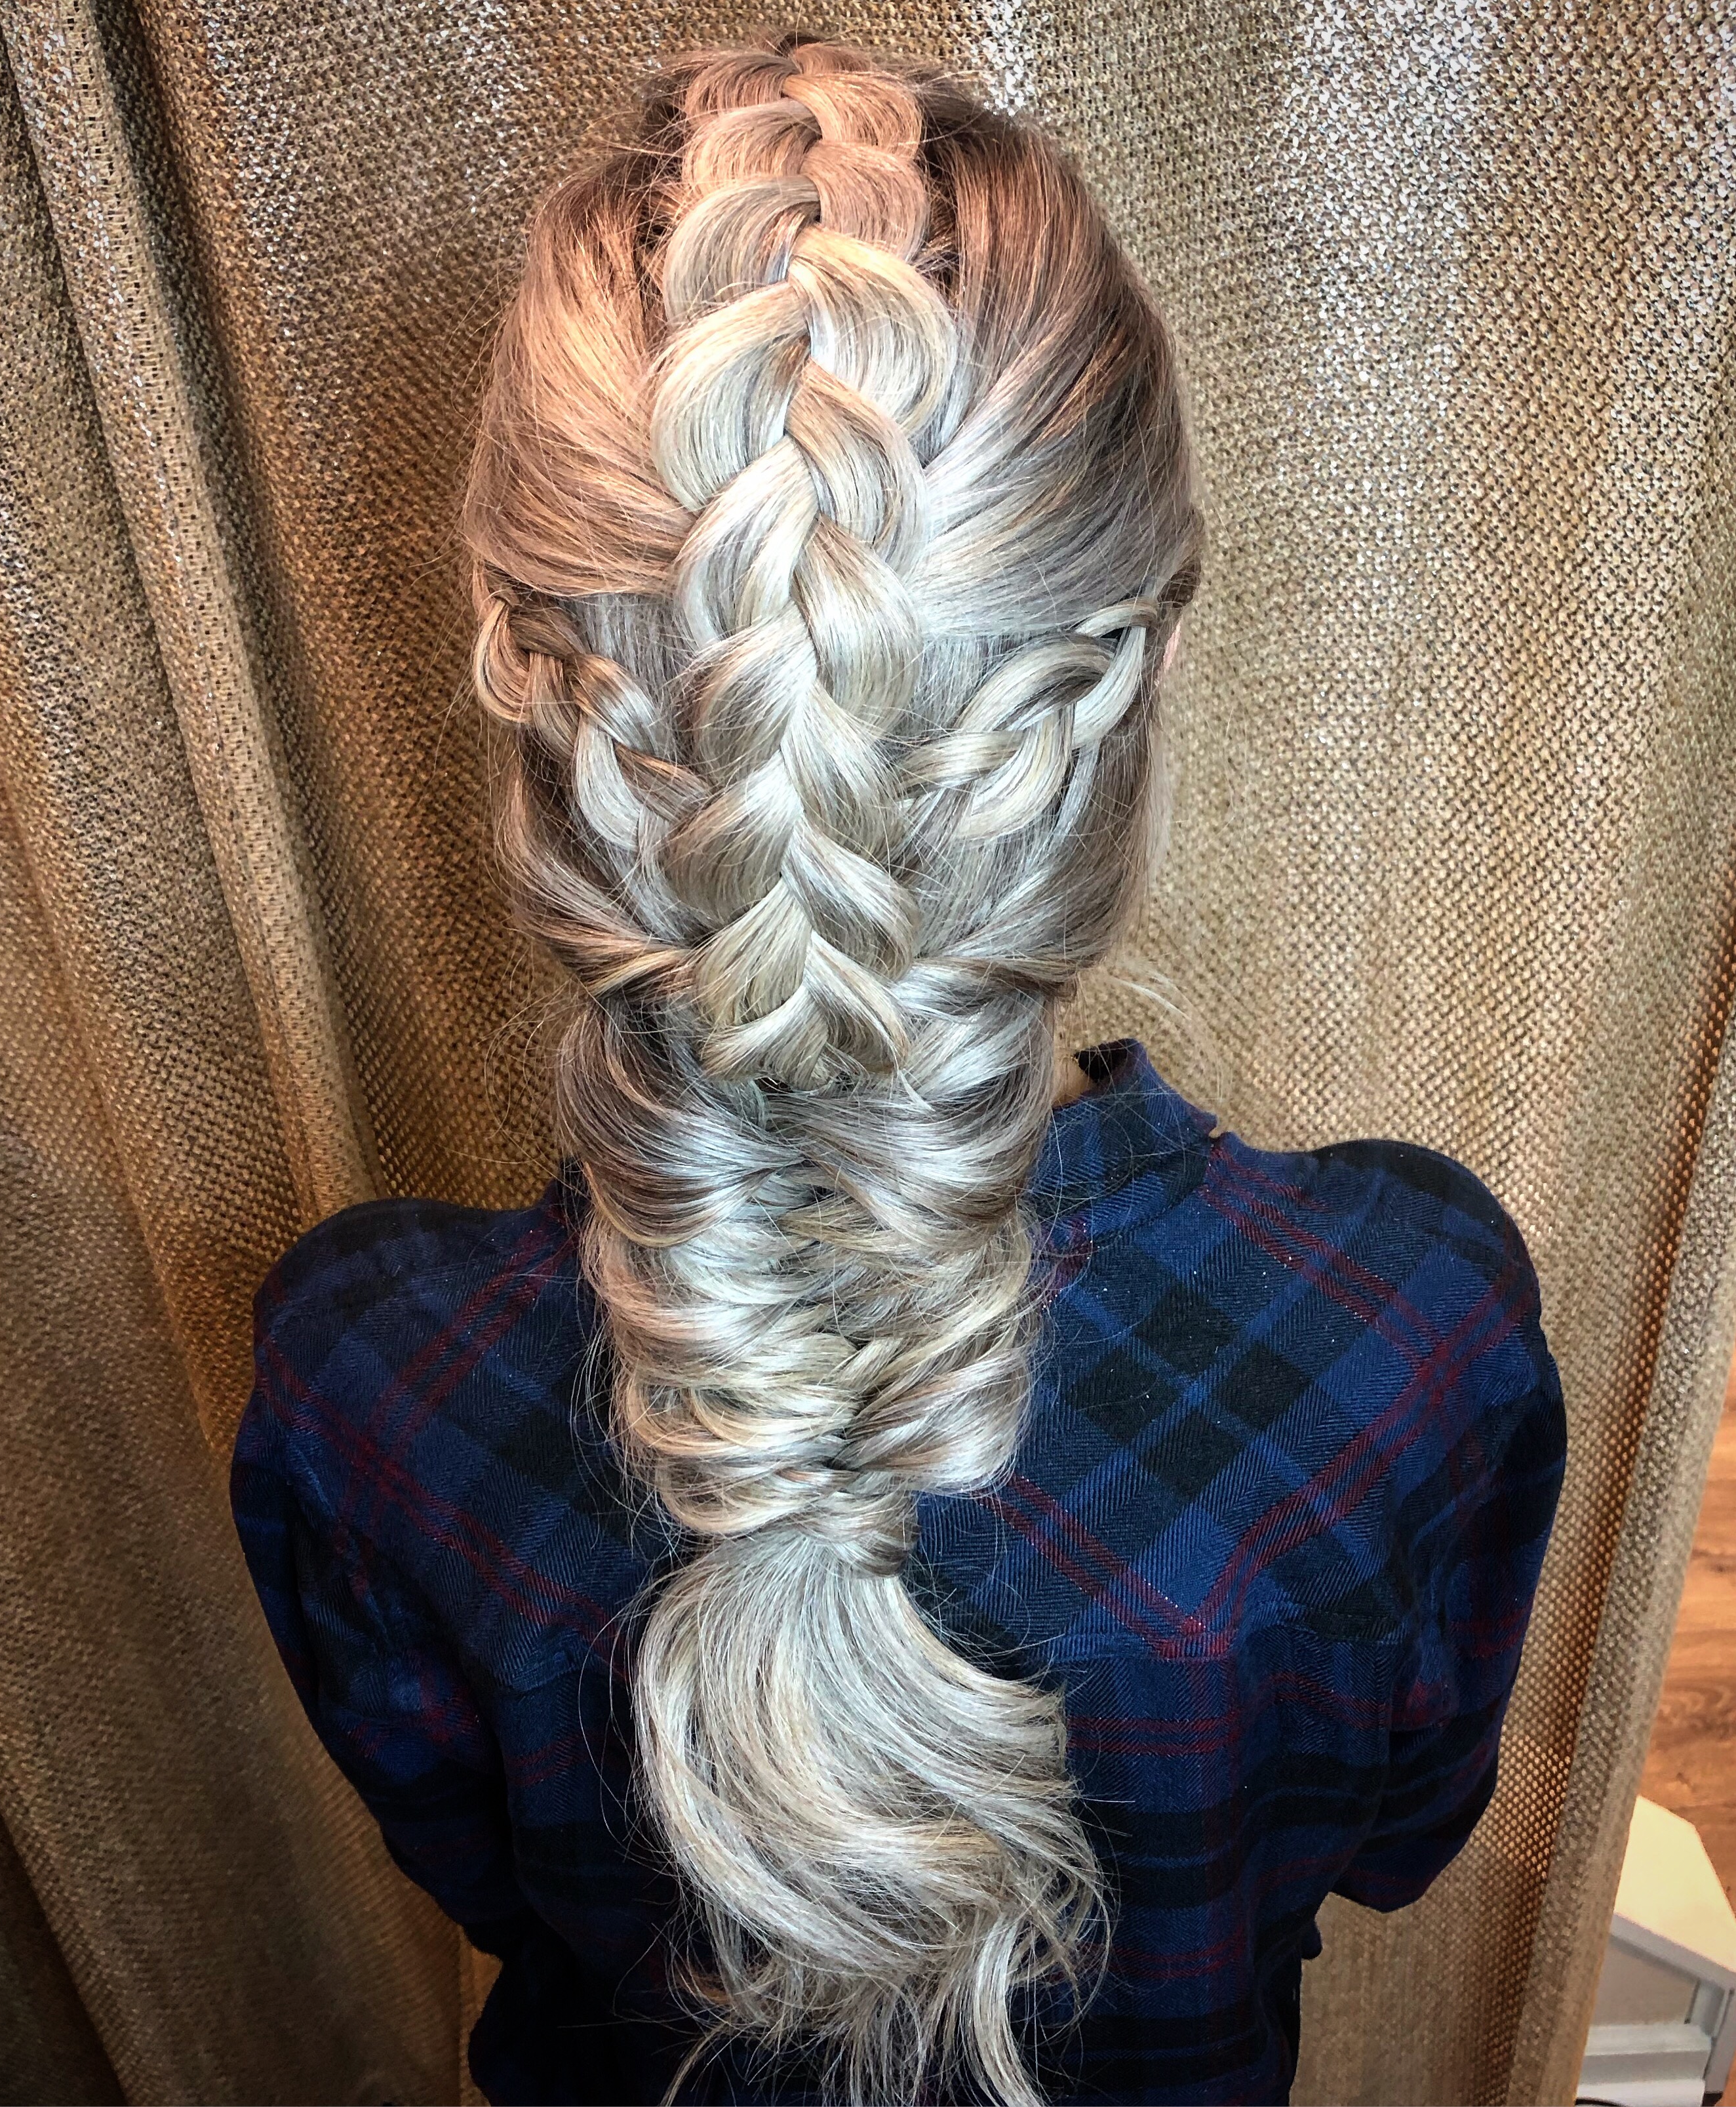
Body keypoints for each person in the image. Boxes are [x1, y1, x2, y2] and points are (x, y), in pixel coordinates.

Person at [229, 28, 1568, 2107]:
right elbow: (1397, 1843)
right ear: (1144, 663)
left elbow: (482, 1882)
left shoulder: (363, 1373)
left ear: (528, 679)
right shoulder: (1405, 1323)